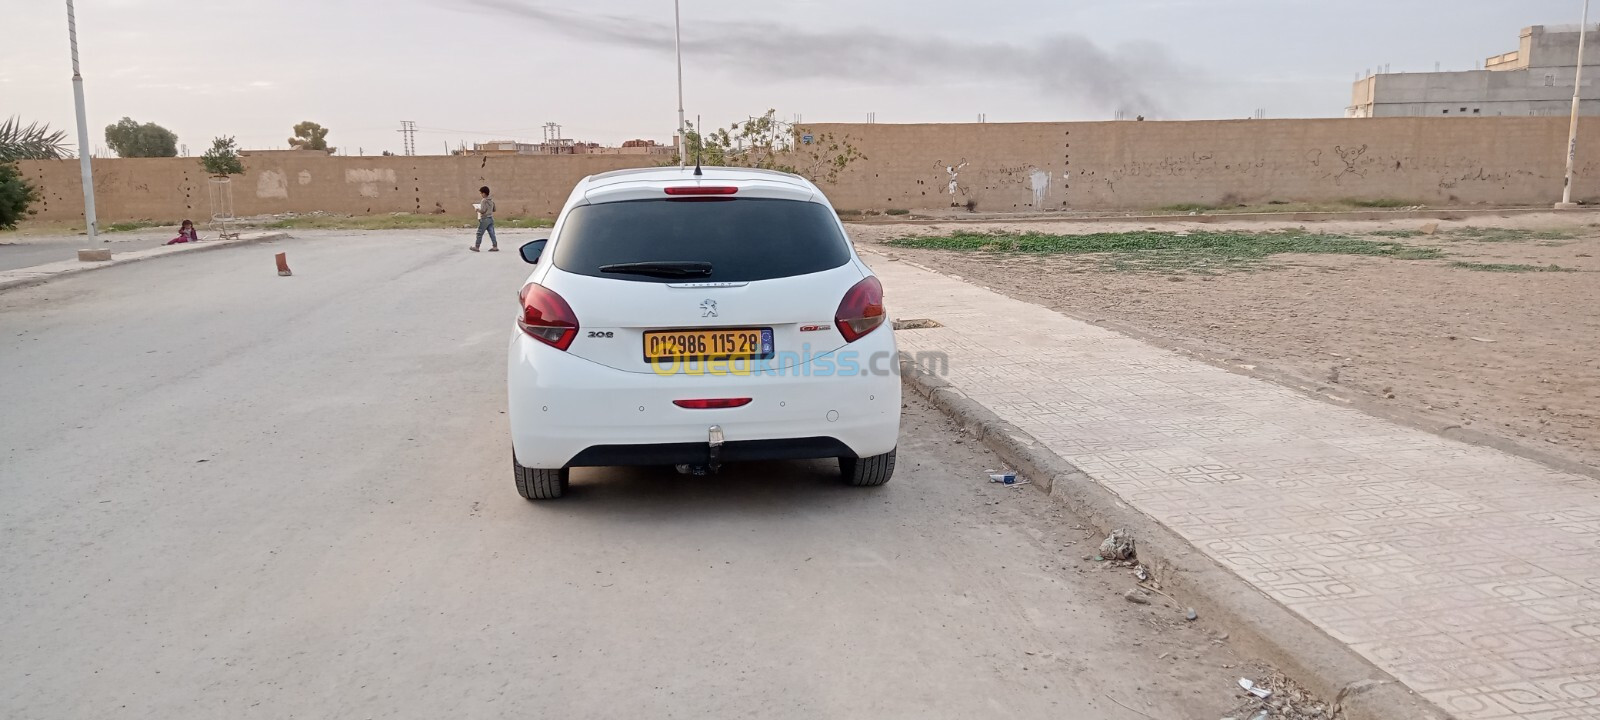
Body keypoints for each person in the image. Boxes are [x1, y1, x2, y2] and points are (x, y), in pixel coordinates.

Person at [471, 186, 498, 252]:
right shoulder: (491, 200)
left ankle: (477, 247)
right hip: (491, 218)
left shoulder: (484, 201)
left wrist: (477, 209)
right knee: (492, 233)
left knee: (479, 233)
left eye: (481, 193)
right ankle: (495, 246)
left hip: (485, 218)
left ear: (484, 193)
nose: (481, 194)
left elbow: (483, 210)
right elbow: (494, 209)